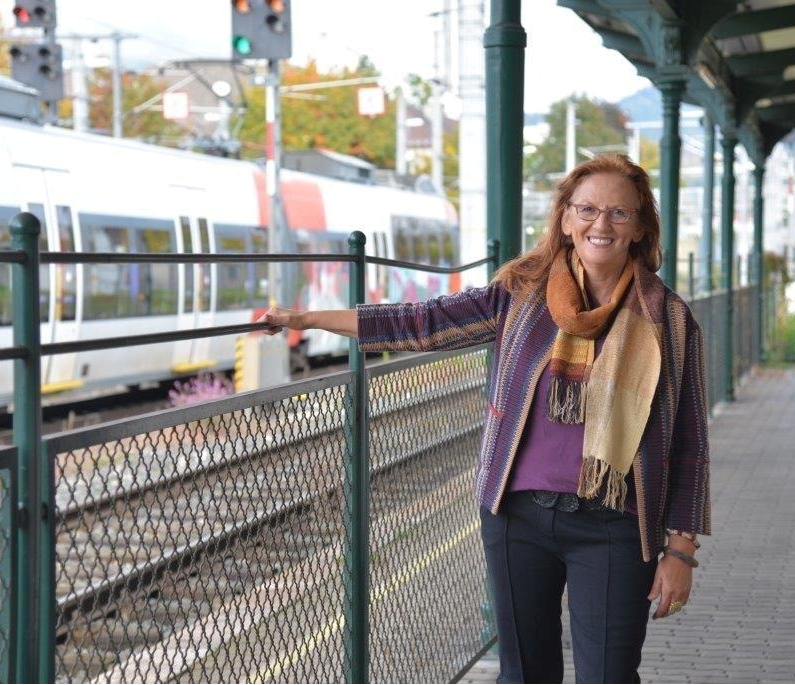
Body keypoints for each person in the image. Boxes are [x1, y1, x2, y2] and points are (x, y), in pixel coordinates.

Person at [257, 155, 710, 684]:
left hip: (614, 523)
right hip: (517, 518)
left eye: (619, 213)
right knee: (523, 676)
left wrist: (681, 550)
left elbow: (689, 442)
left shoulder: (669, 320)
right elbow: (424, 323)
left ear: (640, 228)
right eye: (586, 209)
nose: (600, 224)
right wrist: (307, 319)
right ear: (565, 219)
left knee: (609, 676)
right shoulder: (520, 297)